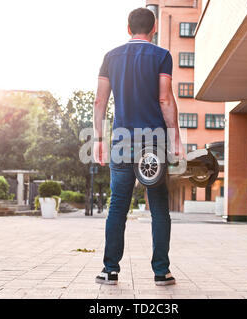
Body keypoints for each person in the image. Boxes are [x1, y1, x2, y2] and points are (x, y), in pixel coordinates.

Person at [93, 7, 184, 286]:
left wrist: (98, 138)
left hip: (121, 142)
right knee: (158, 208)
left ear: (128, 27)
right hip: (153, 144)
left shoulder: (111, 57)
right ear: (154, 29)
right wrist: (176, 138)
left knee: (118, 206)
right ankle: (161, 272)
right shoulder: (161, 56)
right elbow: (165, 99)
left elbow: (100, 102)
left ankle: (110, 270)